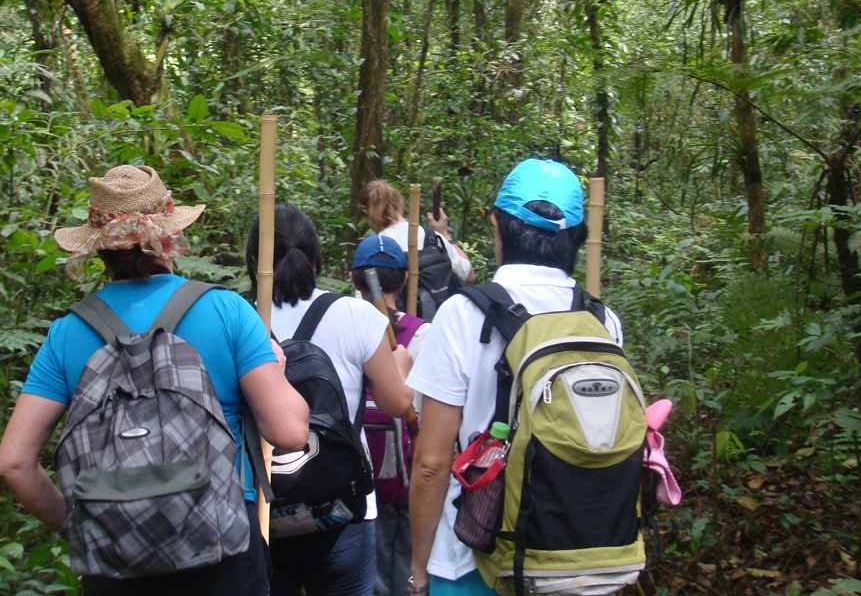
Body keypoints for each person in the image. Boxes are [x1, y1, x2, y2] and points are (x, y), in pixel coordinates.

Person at [0, 164, 308, 596]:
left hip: (115, 565)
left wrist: (77, 526)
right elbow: (290, 433)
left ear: (97, 247)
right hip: (222, 552)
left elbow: (13, 463)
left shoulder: (67, 333)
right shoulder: (227, 311)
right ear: (169, 234)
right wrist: (277, 367)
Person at [405, 158, 625, 595]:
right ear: (578, 238)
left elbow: (431, 464)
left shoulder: (463, 315)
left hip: (473, 555)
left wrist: (418, 568)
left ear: (497, 227)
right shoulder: (602, 321)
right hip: (576, 556)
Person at [245, 203, 415, 596]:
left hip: (265, 506)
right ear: (317, 261)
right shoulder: (357, 316)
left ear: (254, 261)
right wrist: (402, 365)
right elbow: (396, 403)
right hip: (343, 507)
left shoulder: (239, 320)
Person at [349, 233, 430, 596]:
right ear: (404, 279)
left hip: (359, 466)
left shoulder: (344, 322)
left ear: (353, 279)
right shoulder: (422, 333)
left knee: (372, 565)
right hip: (413, 467)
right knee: (410, 562)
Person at [359, 179, 475, 287]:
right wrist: (444, 235)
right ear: (398, 203)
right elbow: (469, 275)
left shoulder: (375, 249)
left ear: (365, 211)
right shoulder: (432, 238)